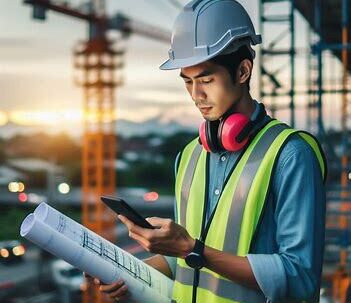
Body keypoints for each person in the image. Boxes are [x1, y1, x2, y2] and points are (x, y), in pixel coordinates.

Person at [94, 0, 327, 302]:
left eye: (206, 79)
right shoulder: (189, 156)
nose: (196, 95)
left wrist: (191, 249)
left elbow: (300, 279)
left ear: (243, 71)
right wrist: (127, 271)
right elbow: (183, 264)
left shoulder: (290, 155)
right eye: (188, 82)